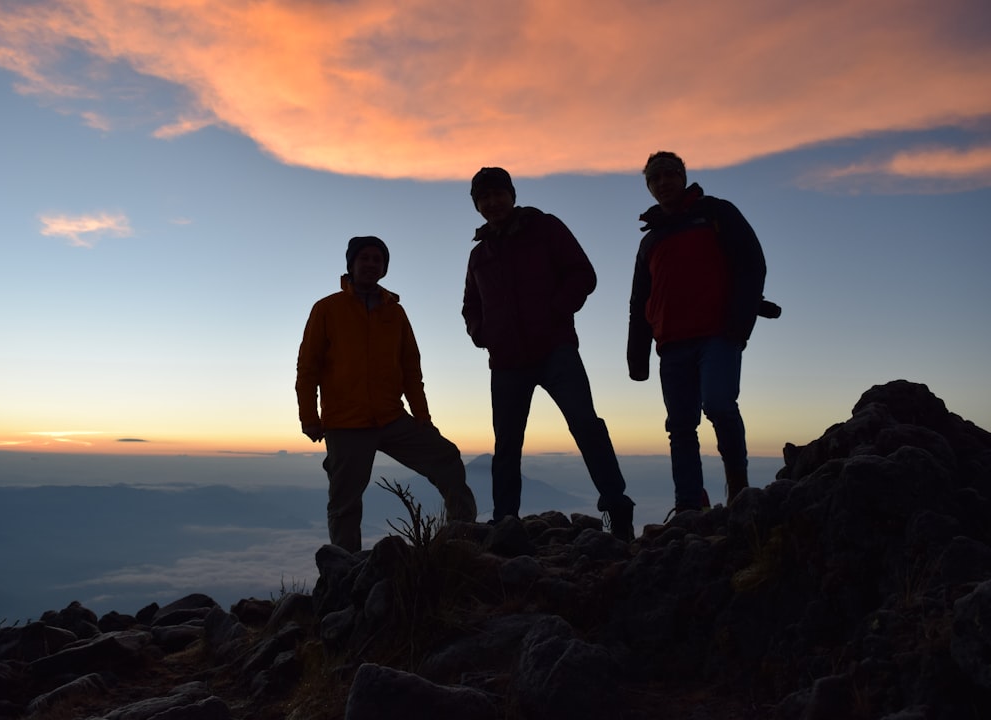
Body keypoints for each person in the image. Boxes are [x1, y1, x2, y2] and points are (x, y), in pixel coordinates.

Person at [462, 167, 637, 541]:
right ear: (477, 206)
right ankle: (506, 522)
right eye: (483, 198)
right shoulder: (479, 255)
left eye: (497, 194)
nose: (492, 203)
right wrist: (483, 334)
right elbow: (470, 305)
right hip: (507, 361)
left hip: (555, 350)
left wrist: (555, 312)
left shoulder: (545, 228)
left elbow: (582, 274)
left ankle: (617, 509)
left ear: (511, 194)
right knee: (507, 444)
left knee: (585, 425)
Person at [296, 235, 478, 552]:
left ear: (384, 268)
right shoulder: (327, 309)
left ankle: (462, 539)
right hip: (346, 422)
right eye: (363, 258)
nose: (370, 264)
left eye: (377, 260)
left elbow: (411, 369)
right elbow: (308, 367)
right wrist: (309, 417)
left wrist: (422, 416)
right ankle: (346, 569)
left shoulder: (395, 313)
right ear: (351, 264)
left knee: (446, 458)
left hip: (391, 418)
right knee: (345, 502)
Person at [627, 151, 775, 516]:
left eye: (668, 175)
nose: (662, 183)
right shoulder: (650, 240)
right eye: (654, 179)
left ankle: (739, 490)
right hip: (671, 343)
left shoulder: (716, 213)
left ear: (683, 176)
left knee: (720, 406)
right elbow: (639, 300)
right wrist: (637, 355)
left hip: (717, 333)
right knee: (680, 426)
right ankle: (689, 506)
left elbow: (752, 264)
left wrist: (740, 324)